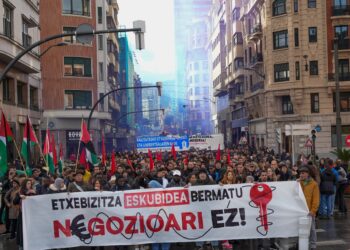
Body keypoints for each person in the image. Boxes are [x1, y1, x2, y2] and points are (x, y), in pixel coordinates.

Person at [298, 166, 320, 250]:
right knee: (301, 229)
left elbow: (316, 199)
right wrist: (297, 183)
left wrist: (313, 210)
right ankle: (303, 245)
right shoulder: (299, 183)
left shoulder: (313, 184)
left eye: (303, 173)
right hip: (300, 210)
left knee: (312, 229)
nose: (301, 175)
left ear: (308, 174)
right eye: (300, 173)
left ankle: (313, 245)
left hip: (309, 211)